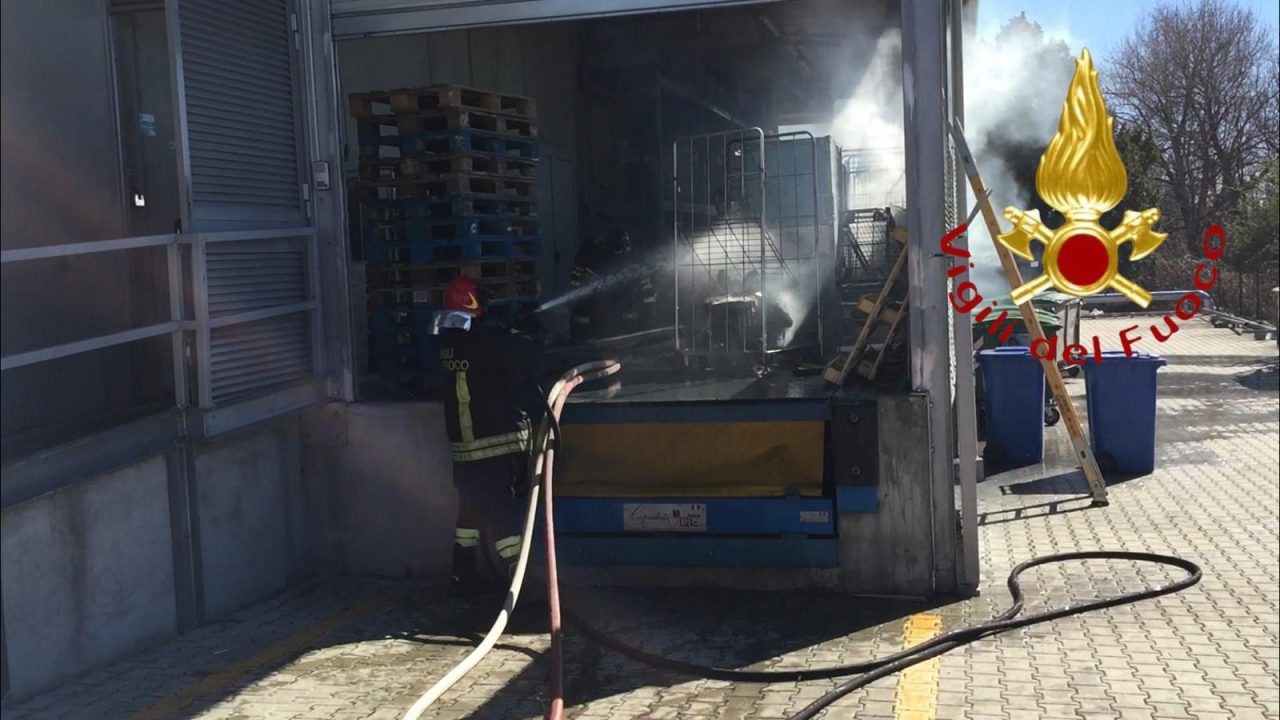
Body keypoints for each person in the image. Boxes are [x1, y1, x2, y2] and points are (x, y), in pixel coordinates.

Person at [436, 276, 543, 597]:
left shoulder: (449, 342)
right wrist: (512, 331)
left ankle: (462, 573)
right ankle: (519, 580)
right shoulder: (485, 341)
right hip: (495, 443)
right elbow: (528, 353)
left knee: (471, 511)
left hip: (466, 451)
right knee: (502, 509)